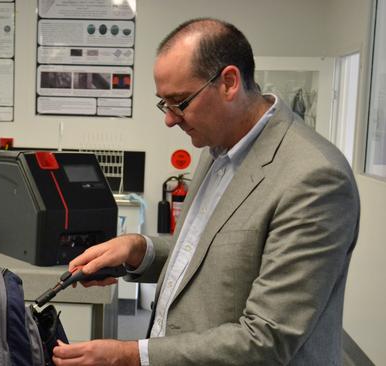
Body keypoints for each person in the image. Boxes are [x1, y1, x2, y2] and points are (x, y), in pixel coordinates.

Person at [52, 18, 360, 365]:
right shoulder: (217, 148)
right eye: (164, 103)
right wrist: (140, 250)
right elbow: (212, 256)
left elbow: (266, 339)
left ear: (229, 82)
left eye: (179, 102)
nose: (169, 119)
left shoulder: (313, 177)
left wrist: (130, 355)